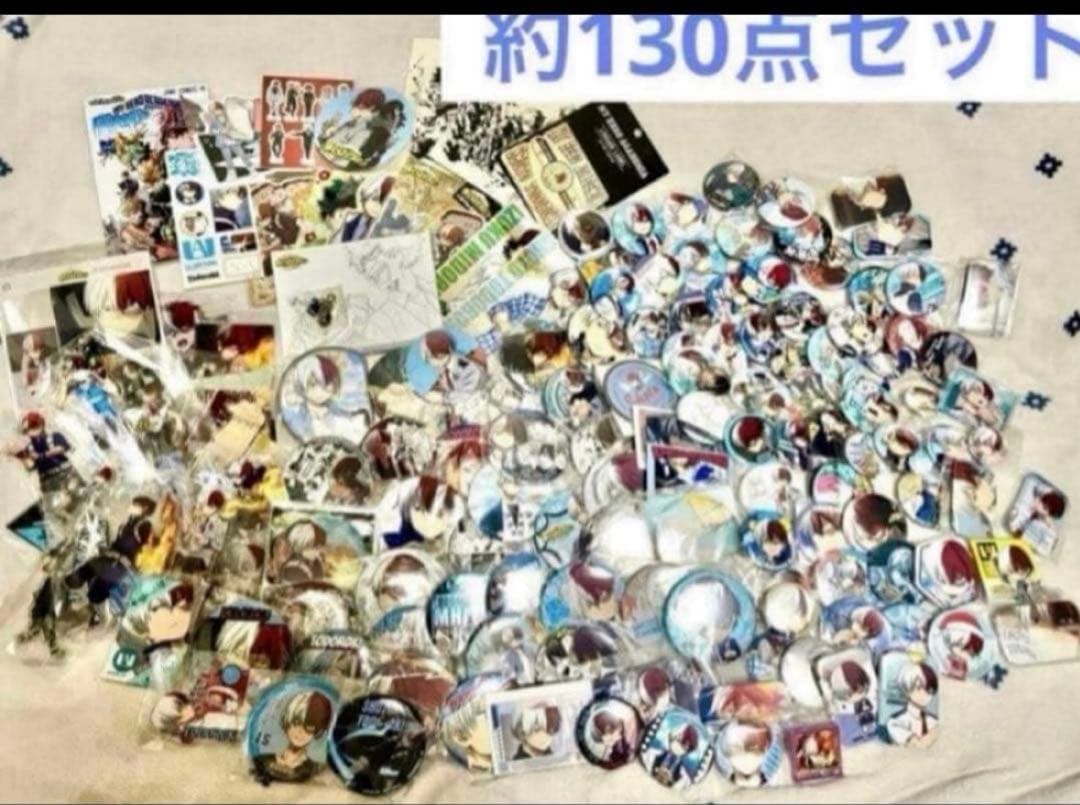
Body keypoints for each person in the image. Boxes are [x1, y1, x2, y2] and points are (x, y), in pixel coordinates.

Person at [252, 690, 334, 783]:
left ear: (316, 732)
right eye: (296, 722)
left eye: (309, 728)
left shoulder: (312, 763)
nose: (300, 732)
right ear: (287, 722)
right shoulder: (268, 747)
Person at [885, 663, 939, 747]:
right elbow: (917, 746)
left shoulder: (933, 720)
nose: (925, 693)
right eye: (918, 688)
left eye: (929, 689)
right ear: (906, 690)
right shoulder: (895, 722)